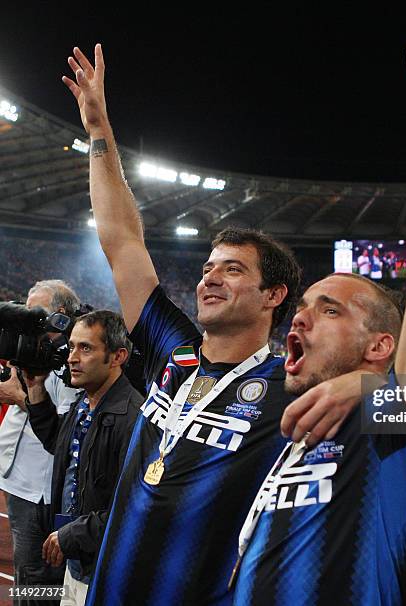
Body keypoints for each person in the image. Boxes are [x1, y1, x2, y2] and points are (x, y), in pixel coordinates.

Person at [233, 21, 406, 605]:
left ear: (381, 345)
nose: (297, 321)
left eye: (327, 311)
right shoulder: (291, 434)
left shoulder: (400, 434)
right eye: (300, 309)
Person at [62, 45, 314, 606]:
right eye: (206, 269)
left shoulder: (290, 388)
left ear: (274, 295)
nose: (209, 280)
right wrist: (100, 129)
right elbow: (122, 240)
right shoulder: (170, 349)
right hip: (110, 590)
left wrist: (364, 384)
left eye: (232, 270)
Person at [26, 311, 142, 606]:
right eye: (73, 346)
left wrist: (74, 533)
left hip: (105, 570)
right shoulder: (85, 400)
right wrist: (36, 390)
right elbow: (59, 443)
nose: (71, 357)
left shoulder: (133, 418)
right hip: (78, 558)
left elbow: (133, 507)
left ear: (118, 356)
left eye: (86, 348)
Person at [0, 280, 80, 605]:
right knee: (24, 568)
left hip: (40, 490)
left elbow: (63, 430)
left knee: (35, 576)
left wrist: (18, 395)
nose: (28, 316)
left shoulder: (70, 357)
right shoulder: (26, 346)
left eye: (37, 310)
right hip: (15, 479)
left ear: (60, 314)